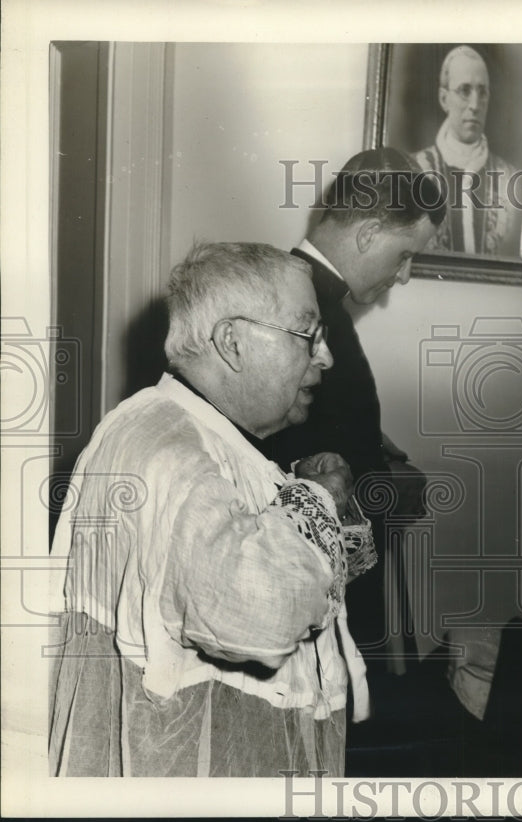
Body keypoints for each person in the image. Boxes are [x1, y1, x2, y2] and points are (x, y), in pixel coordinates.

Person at [48, 242, 373, 776]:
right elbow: (262, 615)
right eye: (306, 335)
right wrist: (320, 500)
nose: (325, 357)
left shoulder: (205, 435)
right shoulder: (168, 447)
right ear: (232, 342)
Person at [260, 148, 444, 672]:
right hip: (314, 609)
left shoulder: (308, 299)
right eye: (405, 254)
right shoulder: (306, 308)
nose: (404, 275)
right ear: (367, 234)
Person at [412, 45, 522, 257]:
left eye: (482, 92)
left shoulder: (510, 179)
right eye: (465, 91)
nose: (475, 104)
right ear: (444, 99)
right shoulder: (413, 171)